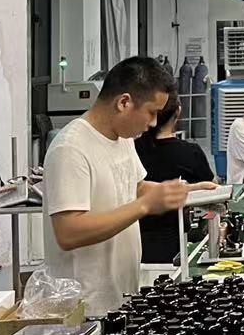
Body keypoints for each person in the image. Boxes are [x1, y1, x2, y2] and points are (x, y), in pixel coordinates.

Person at [42, 56, 191, 317]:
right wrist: (144, 206)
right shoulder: (71, 149)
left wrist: (188, 193)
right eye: (152, 112)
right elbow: (69, 232)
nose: (153, 123)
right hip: (85, 309)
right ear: (124, 103)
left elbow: (135, 188)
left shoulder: (123, 138)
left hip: (119, 297)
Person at [134, 88, 217, 266]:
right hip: (174, 246)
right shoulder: (190, 152)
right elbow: (212, 189)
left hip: (135, 245)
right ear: (178, 112)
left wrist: (191, 188)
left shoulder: (132, 149)